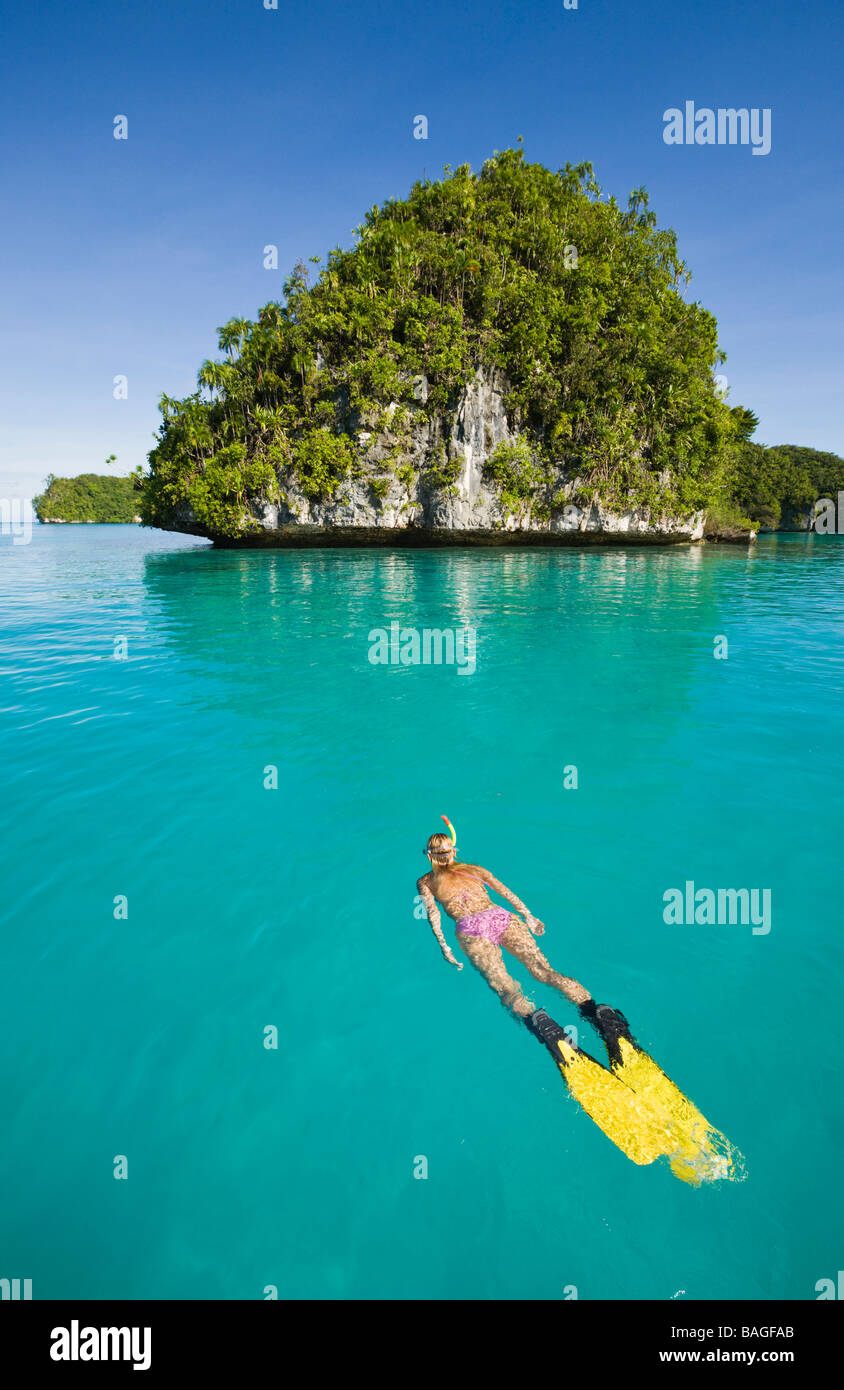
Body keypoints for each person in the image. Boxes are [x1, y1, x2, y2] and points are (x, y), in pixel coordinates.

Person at [416, 830, 595, 1023]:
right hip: (500, 917)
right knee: (543, 971)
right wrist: (528, 916)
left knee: (506, 988)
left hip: (471, 929)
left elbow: (433, 915)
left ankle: (541, 1025)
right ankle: (593, 1010)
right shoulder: (475, 869)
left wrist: (445, 946)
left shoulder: (425, 882)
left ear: (429, 856)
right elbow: (505, 892)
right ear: (453, 852)